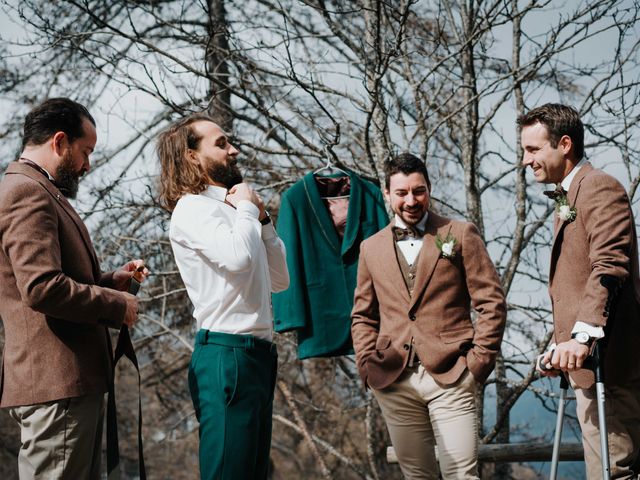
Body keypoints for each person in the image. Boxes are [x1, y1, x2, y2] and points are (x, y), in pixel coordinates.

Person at [0, 97, 148, 479]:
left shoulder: (35, 190)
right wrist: (116, 305)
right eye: (85, 152)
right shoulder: (26, 192)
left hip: (64, 388)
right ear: (60, 142)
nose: (87, 165)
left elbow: (44, 282)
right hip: (57, 387)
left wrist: (109, 282)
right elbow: (41, 288)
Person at [351, 153, 506, 479]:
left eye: (418, 191)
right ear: (388, 194)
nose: (411, 200)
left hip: (452, 375)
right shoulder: (371, 248)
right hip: (393, 380)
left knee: (461, 475)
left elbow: (490, 302)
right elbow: (363, 315)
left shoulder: (460, 234)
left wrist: (477, 365)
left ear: (429, 189)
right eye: (402, 193)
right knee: (416, 476)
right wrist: (367, 363)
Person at [157, 113, 289, 480]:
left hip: (259, 357)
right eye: (221, 144)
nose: (234, 150)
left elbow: (280, 279)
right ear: (191, 157)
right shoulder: (192, 208)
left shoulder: (236, 211)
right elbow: (239, 259)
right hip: (227, 358)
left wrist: (261, 220)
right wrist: (248, 207)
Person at [521, 103, 640, 479]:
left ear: (565, 144)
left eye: (533, 149)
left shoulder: (600, 188)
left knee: (614, 471)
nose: (526, 160)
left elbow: (609, 266)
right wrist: (563, 345)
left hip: (614, 364)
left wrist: (583, 334)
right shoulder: (567, 198)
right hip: (589, 364)